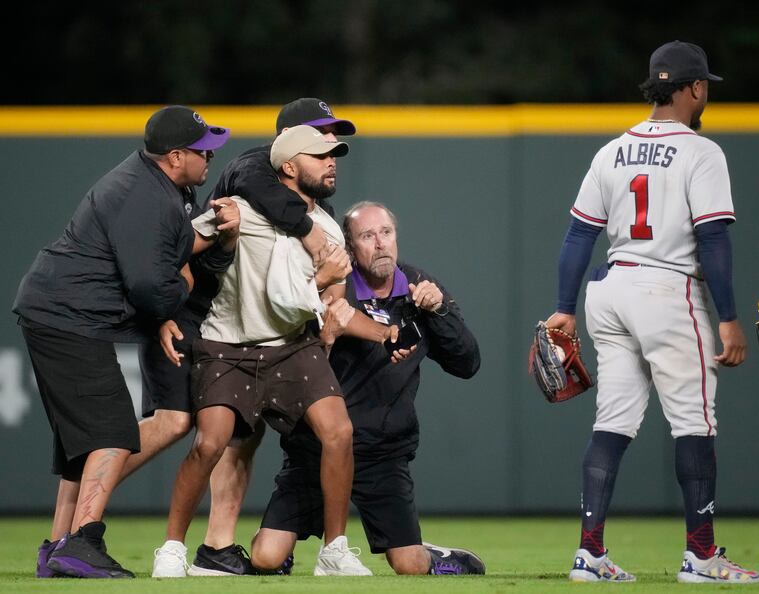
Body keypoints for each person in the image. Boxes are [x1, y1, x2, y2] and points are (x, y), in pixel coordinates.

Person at [544, 41, 759, 584]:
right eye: (704, 84)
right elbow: (712, 238)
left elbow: (578, 235)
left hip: (610, 291)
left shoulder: (612, 150)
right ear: (695, 89)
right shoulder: (700, 152)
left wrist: (564, 309)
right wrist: (730, 317)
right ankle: (702, 557)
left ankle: (589, 555)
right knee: (695, 423)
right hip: (668, 291)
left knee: (612, 422)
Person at [124, 98, 357, 577]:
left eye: (334, 150)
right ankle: (171, 549)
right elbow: (177, 250)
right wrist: (165, 308)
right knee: (210, 443)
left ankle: (335, 550)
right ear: (288, 161)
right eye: (320, 151)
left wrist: (336, 300)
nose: (331, 158)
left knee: (339, 432)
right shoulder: (242, 206)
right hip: (228, 346)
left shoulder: (328, 225)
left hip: (292, 347)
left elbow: (328, 299)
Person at [12, 105, 233, 578]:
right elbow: (150, 286)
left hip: (64, 314)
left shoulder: (162, 187)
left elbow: (167, 254)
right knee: (111, 430)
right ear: (175, 156)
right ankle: (82, 543)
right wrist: (181, 292)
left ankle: (58, 547)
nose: (210, 156)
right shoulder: (144, 195)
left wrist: (213, 238)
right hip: (68, 316)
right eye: (202, 150)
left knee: (85, 444)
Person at [249, 202, 484, 576]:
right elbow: (291, 366)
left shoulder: (419, 289)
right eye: (367, 236)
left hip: (381, 454)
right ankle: (285, 548)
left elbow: (468, 363)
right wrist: (325, 336)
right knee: (265, 557)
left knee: (409, 565)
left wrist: (439, 312)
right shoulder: (329, 291)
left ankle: (437, 556)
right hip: (317, 450)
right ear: (349, 246)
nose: (380, 244)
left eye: (386, 233)